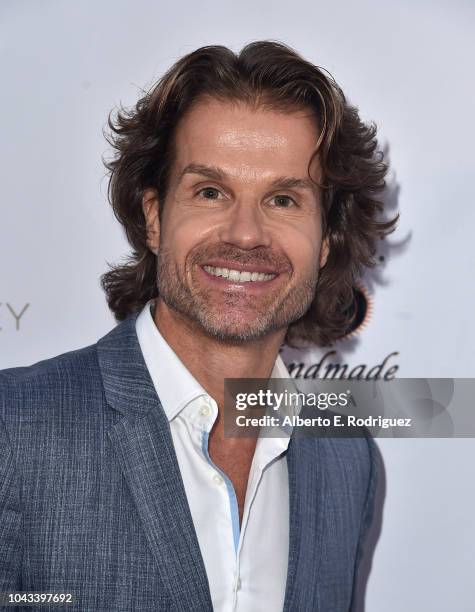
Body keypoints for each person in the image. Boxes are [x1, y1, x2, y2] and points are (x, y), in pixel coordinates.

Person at [0, 41, 397, 611]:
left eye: (283, 200)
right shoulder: (15, 428)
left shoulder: (345, 457)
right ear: (155, 217)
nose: (245, 234)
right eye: (211, 192)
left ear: (327, 242)